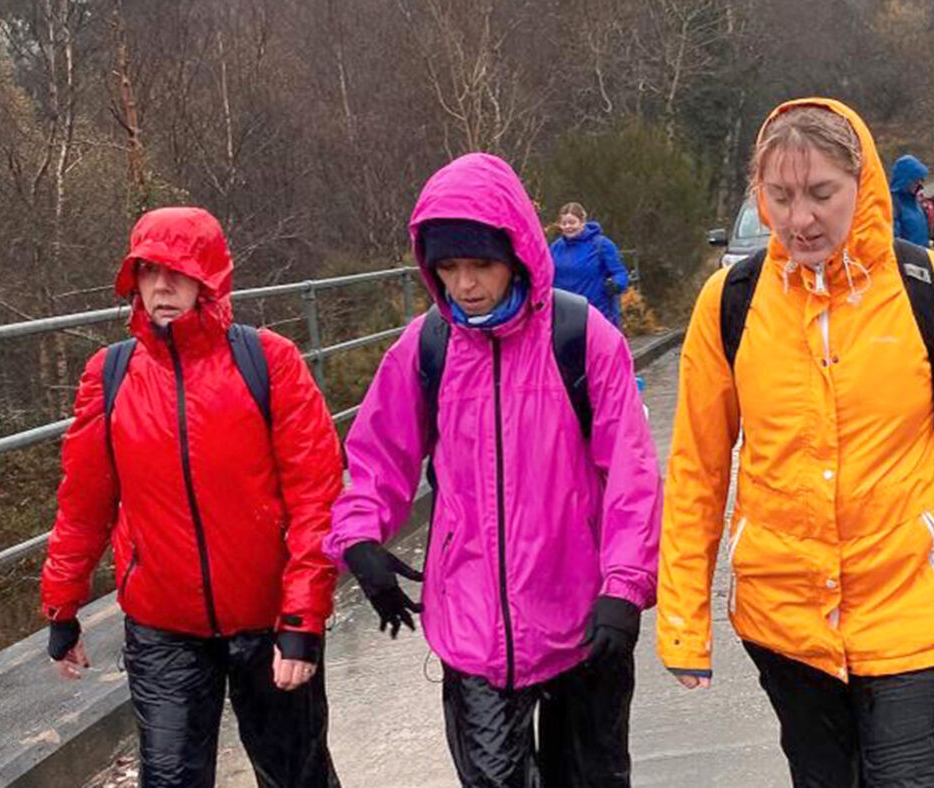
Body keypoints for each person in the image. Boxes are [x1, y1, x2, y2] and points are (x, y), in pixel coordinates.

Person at [657, 98, 934, 787]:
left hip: (919, 609)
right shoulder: (730, 303)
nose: (799, 219)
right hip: (786, 624)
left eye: (820, 194)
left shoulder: (930, 288)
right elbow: (696, 472)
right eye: (779, 197)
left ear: (861, 184)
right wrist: (684, 622)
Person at [325, 153, 661, 787]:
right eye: (448, 268)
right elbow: (376, 457)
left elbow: (630, 472)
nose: (465, 284)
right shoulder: (426, 348)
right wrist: (361, 537)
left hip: (584, 611)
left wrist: (625, 584)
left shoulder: (580, 337)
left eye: (479, 264)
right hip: (475, 620)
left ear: (516, 254)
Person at [40, 207, 343, 788]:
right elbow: (84, 502)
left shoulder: (269, 362)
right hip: (163, 624)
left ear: (209, 279)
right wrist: (63, 604)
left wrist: (303, 616)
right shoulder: (110, 375)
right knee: (171, 777)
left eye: (177, 272)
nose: (161, 286)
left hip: (268, 617)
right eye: (148, 272)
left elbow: (317, 496)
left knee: (296, 776)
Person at [550, 202, 630, 327]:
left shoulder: (601, 245)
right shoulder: (556, 248)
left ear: (582, 222)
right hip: (565, 315)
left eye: (572, 222)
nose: (568, 227)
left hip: (598, 314)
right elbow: (546, 274)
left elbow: (619, 272)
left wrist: (616, 284)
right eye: (564, 223)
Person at [890, 153, 931, 247]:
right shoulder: (893, 204)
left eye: (921, 180)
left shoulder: (916, 203)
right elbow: (894, 241)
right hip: (905, 260)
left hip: (922, 257)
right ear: (905, 180)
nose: (919, 184)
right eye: (916, 180)